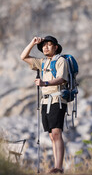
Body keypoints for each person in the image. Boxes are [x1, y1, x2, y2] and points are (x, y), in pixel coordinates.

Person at [21, 35, 69, 174]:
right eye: (44, 45)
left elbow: (62, 78)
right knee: (51, 135)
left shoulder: (61, 61)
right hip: (45, 101)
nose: (45, 47)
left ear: (55, 47)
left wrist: (45, 83)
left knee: (56, 132)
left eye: (49, 44)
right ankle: (56, 166)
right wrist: (32, 42)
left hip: (57, 99)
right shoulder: (42, 62)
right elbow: (23, 56)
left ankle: (58, 168)